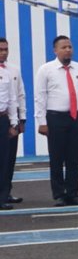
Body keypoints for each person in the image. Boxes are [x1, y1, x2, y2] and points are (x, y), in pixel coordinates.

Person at [35, 35, 78, 206]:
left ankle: (73, 193)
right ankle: (59, 194)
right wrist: (41, 122)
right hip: (55, 118)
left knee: (74, 158)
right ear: (55, 50)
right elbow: (40, 96)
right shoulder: (46, 69)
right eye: (64, 47)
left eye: (70, 46)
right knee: (57, 158)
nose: (68, 50)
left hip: (76, 117)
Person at [0, 37, 23, 208]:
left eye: (6, 49)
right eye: (1, 49)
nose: (4, 53)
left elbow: (18, 96)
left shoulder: (13, 70)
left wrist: (18, 120)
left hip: (6, 118)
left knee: (7, 159)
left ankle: (5, 193)